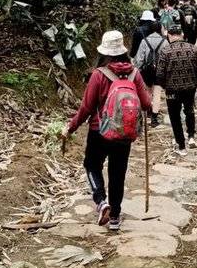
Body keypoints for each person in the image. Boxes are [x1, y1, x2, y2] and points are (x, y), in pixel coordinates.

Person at [62, 30, 151, 231]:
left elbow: (86, 107)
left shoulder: (99, 75)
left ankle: (101, 201)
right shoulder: (135, 74)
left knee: (91, 165)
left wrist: (71, 127)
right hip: (124, 133)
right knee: (118, 173)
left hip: (99, 131)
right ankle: (115, 217)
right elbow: (146, 104)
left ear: (104, 52)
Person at [156, 21, 197, 156]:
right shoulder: (193, 49)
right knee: (189, 110)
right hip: (190, 88)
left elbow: (159, 73)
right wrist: (195, 84)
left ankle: (181, 146)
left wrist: (165, 86)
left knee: (174, 116)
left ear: (169, 35)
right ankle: (191, 136)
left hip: (172, 90)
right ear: (182, 34)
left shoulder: (165, 51)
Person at [134, 15, 170, 127]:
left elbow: (139, 59)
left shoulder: (144, 41)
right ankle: (154, 118)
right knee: (157, 93)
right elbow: (168, 58)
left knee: (147, 92)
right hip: (160, 70)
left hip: (146, 71)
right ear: (160, 29)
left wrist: (138, 69)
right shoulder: (165, 42)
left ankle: (146, 113)